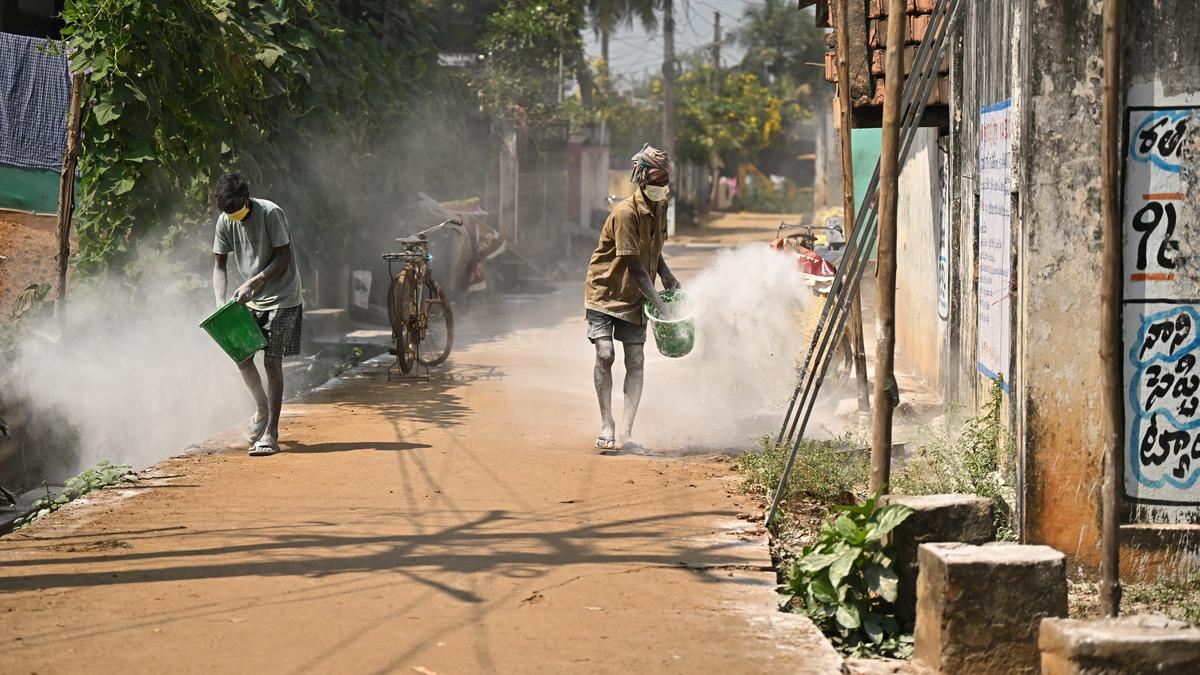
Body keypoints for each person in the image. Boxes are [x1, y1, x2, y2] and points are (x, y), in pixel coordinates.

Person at [583, 144, 680, 454]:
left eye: (664, 185)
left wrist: (665, 273)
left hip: (637, 297)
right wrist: (661, 305)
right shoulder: (625, 213)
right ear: (642, 182)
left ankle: (626, 432)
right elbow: (635, 267)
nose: (660, 190)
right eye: (655, 185)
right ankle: (606, 424)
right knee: (606, 355)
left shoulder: (661, 205)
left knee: (636, 360)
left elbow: (652, 249)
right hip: (605, 292)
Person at [211, 173, 304, 456]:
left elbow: (285, 256)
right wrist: (220, 301)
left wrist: (255, 282)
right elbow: (219, 265)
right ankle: (261, 408)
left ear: (246, 199)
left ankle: (271, 434)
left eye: (235, 209)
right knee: (242, 356)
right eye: (227, 212)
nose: (232, 216)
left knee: (272, 363)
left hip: (283, 297)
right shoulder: (226, 220)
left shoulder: (270, 213)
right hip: (250, 301)